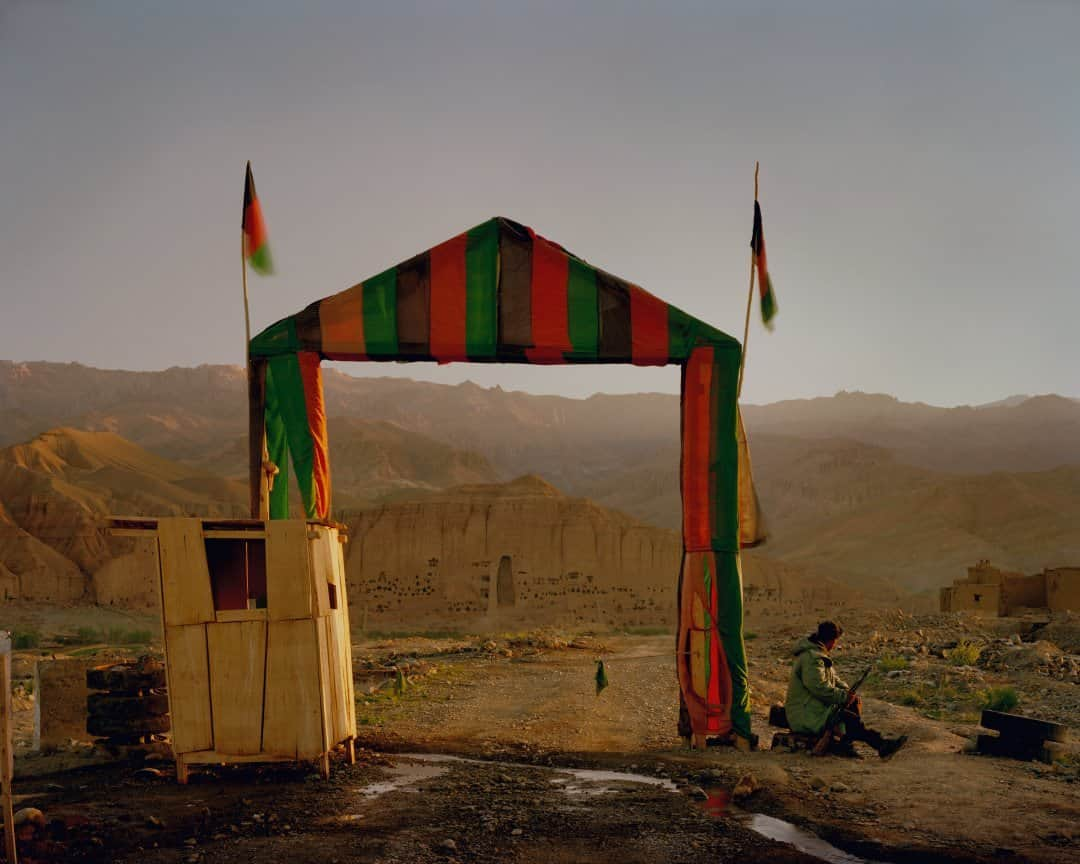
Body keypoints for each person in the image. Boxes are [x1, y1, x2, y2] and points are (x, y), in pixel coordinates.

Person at [785, 620, 907, 759]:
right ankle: (878, 745)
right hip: (805, 714)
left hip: (813, 709)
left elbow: (834, 680)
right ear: (832, 640)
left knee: (852, 707)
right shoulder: (812, 658)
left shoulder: (817, 655)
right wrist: (843, 697)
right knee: (848, 717)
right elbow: (819, 687)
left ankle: (863, 745)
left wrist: (848, 693)